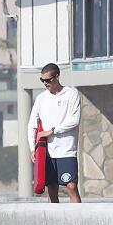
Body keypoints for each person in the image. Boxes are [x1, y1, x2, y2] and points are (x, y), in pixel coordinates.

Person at [27, 63, 82, 203]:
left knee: (71, 186)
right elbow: (32, 125)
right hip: (47, 152)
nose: (45, 83)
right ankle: (54, 223)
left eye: (48, 80)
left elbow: (74, 120)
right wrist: (32, 148)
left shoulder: (71, 93)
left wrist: (51, 131)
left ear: (57, 76)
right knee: (51, 189)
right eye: (42, 80)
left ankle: (78, 221)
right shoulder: (41, 98)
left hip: (67, 150)